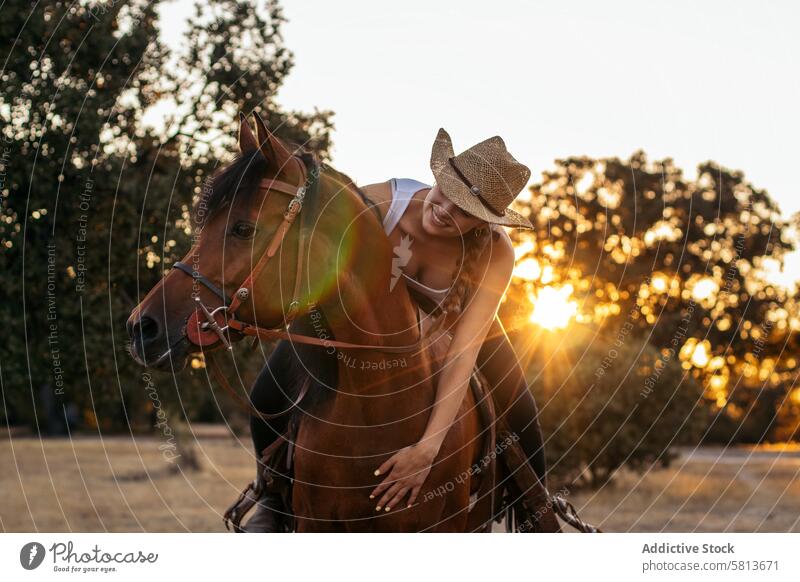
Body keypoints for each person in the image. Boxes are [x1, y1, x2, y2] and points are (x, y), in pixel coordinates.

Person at [240, 128, 548, 532]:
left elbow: (464, 352)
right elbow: (309, 253)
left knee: (521, 407)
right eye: (447, 194)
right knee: (265, 395)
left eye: (465, 212)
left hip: (452, 327)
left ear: (483, 222)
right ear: (438, 177)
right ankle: (273, 499)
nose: (445, 212)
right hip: (353, 321)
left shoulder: (496, 252)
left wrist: (427, 449)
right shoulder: (381, 202)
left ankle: (536, 516)